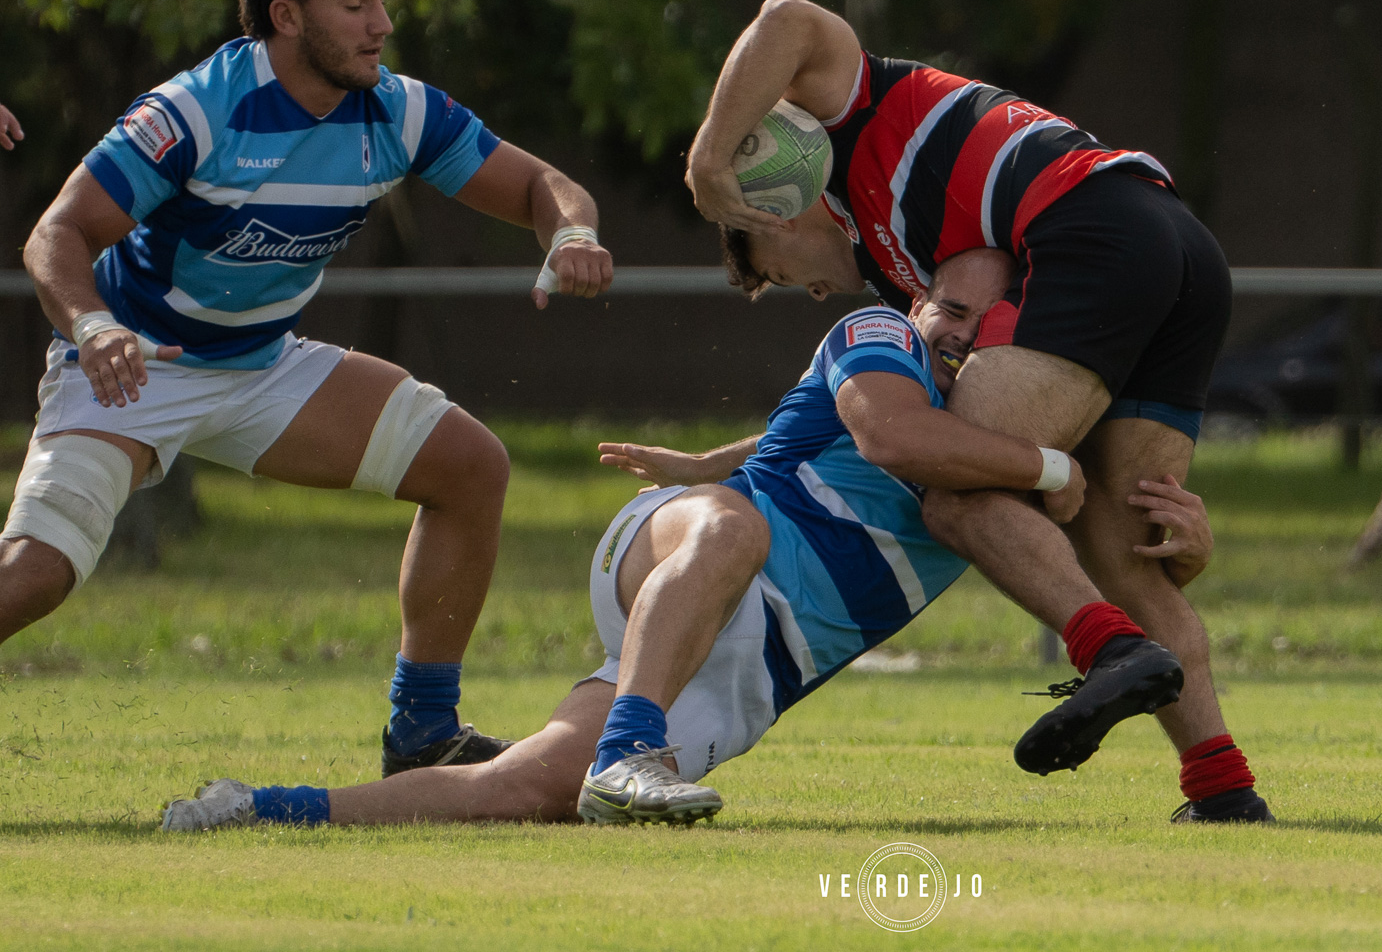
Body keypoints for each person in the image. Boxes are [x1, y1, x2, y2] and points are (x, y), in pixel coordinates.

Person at [161, 249, 1207, 830]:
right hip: (686, 545)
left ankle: (259, 807)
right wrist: (1054, 471)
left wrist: (1188, 540)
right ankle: (632, 753)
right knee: (738, 522)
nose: (957, 327)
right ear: (919, 293)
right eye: (949, 301)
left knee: (526, 786)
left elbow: (1121, 549)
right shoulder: (876, 332)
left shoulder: (1008, 438)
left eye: (987, 320)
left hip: (755, 663)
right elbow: (887, 429)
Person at [3, 0, 613, 776]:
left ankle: (423, 733)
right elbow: (56, 233)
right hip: (137, 369)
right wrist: (94, 328)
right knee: (35, 575)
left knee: (471, 466)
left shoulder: (395, 110)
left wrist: (572, 235)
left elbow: (541, 186)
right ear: (287, 17)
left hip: (261, 367)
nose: (383, 24)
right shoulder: (196, 110)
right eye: (354, 2)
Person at [684, 0, 1272, 824]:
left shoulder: (856, 111)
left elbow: (783, 16)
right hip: (1178, 249)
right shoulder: (904, 266)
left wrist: (710, 158)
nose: (811, 289)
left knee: (952, 488)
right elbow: (885, 414)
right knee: (1139, 539)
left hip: (1092, 232)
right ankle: (1223, 787)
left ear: (779, 194)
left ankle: (1112, 649)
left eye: (776, 267)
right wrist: (720, 460)